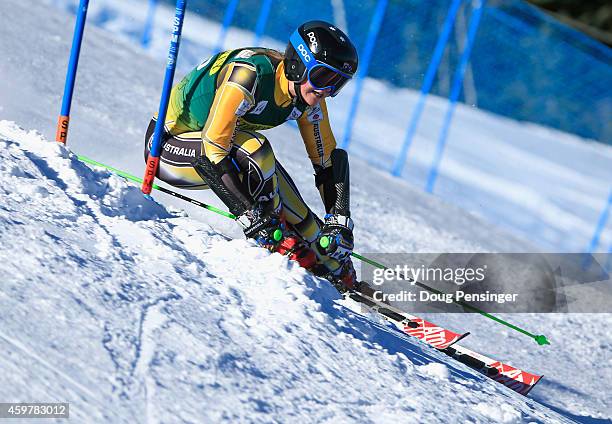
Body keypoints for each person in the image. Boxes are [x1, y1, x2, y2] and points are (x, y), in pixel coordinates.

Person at [144, 20, 358, 290]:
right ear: (298, 64)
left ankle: (329, 262)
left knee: (307, 222)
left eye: (337, 83)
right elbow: (213, 150)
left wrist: (337, 219)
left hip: (228, 149)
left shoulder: (308, 97)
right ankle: (281, 242)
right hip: (169, 147)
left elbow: (326, 161)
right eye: (323, 77)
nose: (326, 90)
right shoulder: (249, 75)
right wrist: (250, 215)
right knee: (257, 152)